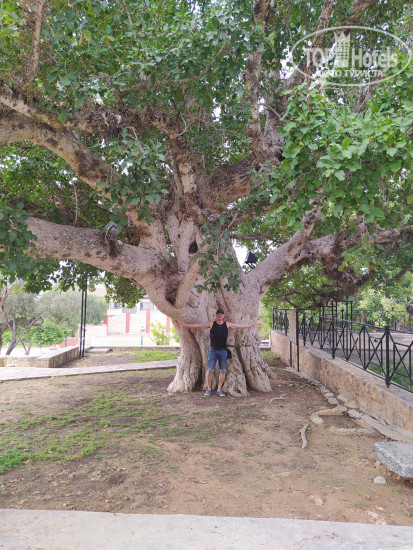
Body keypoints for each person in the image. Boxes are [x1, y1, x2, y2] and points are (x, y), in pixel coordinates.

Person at [175, 309, 259, 397]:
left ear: (223, 316)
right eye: (218, 314)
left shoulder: (227, 324)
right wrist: (185, 325)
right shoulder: (211, 324)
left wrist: (252, 325)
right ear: (216, 315)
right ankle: (208, 389)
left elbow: (238, 326)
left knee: (222, 371)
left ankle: (219, 389)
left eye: (221, 314)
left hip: (223, 351)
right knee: (209, 370)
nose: (220, 315)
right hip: (213, 351)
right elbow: (198, 325)